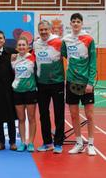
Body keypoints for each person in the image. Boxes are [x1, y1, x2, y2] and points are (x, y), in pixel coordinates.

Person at [61, 13, 97, 156]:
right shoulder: (66, 40)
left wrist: (90, 82)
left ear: (81, 24)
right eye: (73, 21)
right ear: (70, 24)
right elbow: (64, 53)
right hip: (71, 81)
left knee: (90, 115)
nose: (76, 24)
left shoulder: (89, 39)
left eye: (78, 21)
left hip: (85, 83)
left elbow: (93, 62)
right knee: (74, 115)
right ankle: (78, 143)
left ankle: (91, 144)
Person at [34, 20, 65, 154]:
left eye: (46, 29)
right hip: (41, 84)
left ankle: (58, 143)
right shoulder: (36, 44)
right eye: (41, 30)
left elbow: (71, 58)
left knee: (59, 113)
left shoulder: (59, 42)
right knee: (43, 114)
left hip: (57, 82)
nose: (43, 32)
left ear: (50, 29)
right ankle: (47, 142)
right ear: (38, 31)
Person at [11, 37, 37, 152]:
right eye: (19, 45)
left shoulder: (33, 58)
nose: (21, 47)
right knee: (21, 119)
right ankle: (22, 142)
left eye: (24, 45)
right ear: (17, 47)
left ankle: (30, 142)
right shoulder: (13, 59)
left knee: (31, 118)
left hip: (30, 91)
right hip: (17, 92)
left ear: (28, 47)